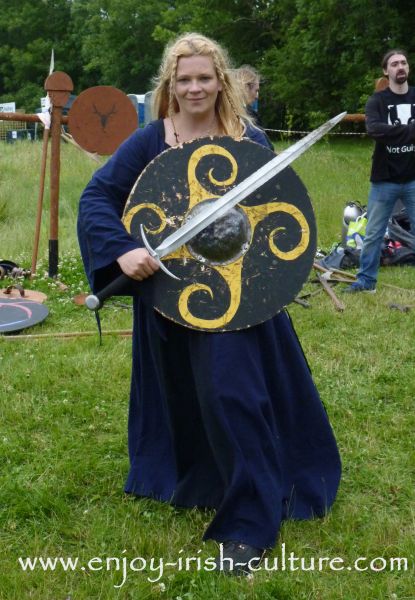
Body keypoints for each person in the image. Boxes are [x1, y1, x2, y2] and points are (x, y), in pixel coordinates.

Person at [78, 32, 341, 576]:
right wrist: (124, 250)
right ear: (170, 85)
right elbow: (97, 197)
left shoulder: (251, 141)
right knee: (188, 392)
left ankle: (248, 526)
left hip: (239, 296)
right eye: (184, 78)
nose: (195, 87)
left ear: (221, 81)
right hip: (174, 293)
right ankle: (206, 480)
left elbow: (276, 212)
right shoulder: (153, 140)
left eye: (204, 77)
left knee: (233, 391)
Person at [345, 49, 415, 293]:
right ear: (386, 71)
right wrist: (411, 130)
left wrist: (392, 132)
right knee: (374, 233)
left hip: (413, 179)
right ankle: (366, 281)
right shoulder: (377, 101)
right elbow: (375, 129)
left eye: (403, 63)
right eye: (394, 64)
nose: (400, 67)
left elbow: (384, 131)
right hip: (384, 180)